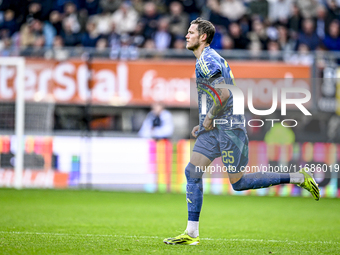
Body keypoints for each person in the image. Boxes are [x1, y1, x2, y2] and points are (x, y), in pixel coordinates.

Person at [163, 18, 320, 246]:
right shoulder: (210, 58)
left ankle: (298, 177)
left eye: (190, 32)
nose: (186, 36)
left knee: (238, 183)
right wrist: (205, 121)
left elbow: (225, 94)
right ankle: (191, 233)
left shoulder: (206, 61)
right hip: (214, 128)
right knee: (192, 172)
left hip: (229, 129)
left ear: (203, 37)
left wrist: (208, 118)